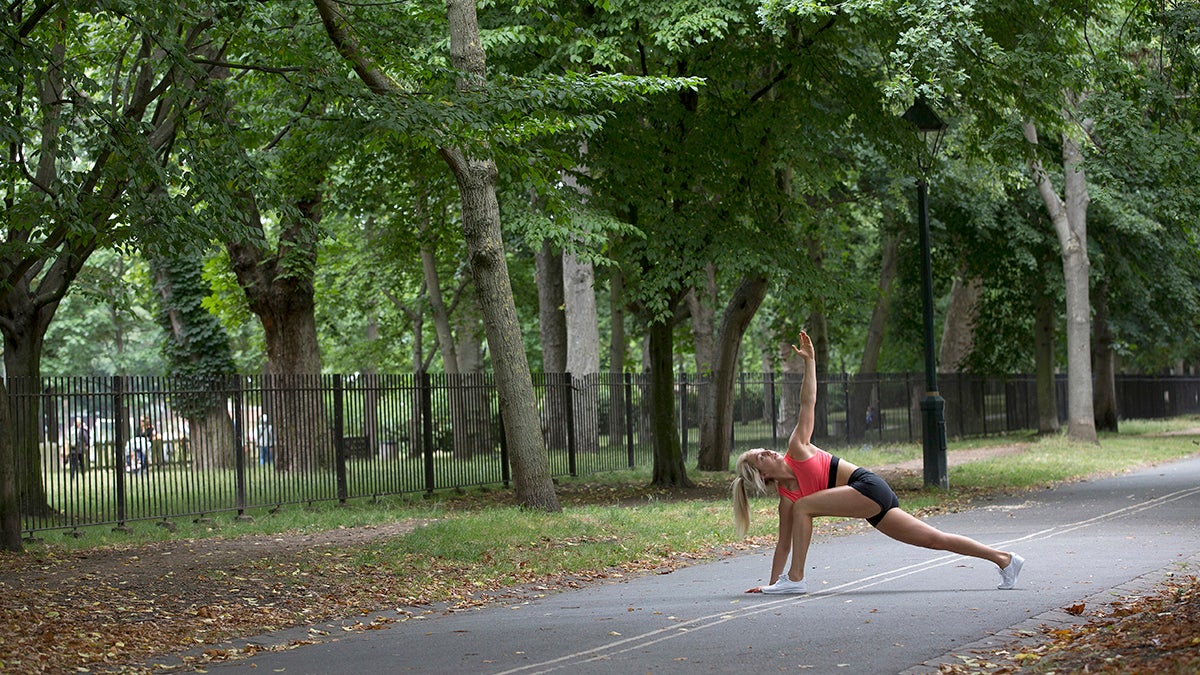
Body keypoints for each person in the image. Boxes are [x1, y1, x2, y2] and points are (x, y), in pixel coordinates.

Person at [732, 330, 1024, 594]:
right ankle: (1005, 559)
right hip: (869, 507)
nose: (768, 452)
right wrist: (770, 586)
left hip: (868, 487)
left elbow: (808, 402)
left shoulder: (797, 448)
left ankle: (796, 580)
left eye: (764, 450)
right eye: (761, 457)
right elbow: (784, 544)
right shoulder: (787, 499)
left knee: (804, 506)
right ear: (762, 476)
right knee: (935, 539)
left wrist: (810, 362)